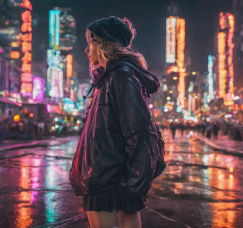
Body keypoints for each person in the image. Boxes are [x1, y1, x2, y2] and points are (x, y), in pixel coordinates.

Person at [69, 17, 163, 228]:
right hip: (105, 177)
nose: (86, 50)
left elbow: (141, 133)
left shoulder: (121, 77)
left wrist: (134, 185)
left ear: (103, 44)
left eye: (90, 43)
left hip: (109, 180)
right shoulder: (108, 78)